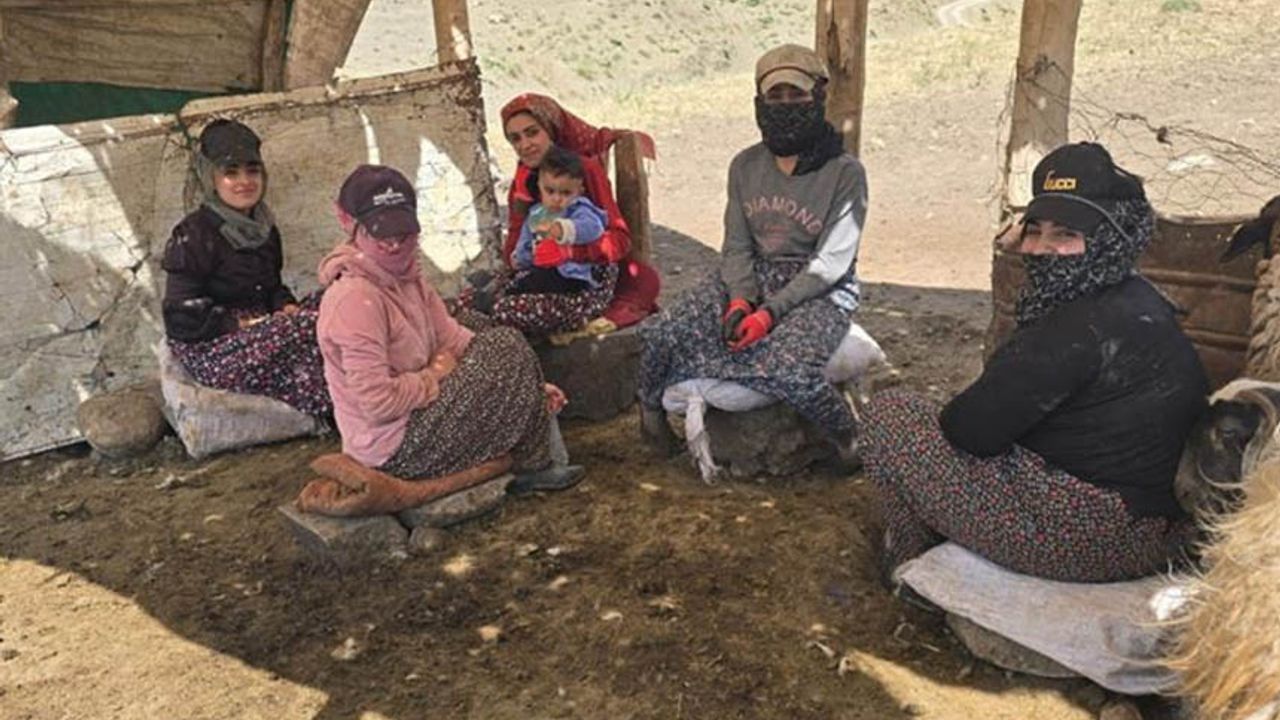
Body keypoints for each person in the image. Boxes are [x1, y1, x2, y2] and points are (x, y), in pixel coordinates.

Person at [861, 141, 1207, 586]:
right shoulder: (1137, 297)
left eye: (1065, 234)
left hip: (1094, 535)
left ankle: (909, 567)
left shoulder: (1075, 327)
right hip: (1153, 526)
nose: (1042, 248)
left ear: (1108, 239)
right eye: (1035, 230)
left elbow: (969, 431)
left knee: (891, 417)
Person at [636, 44, 867, 460]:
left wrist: (768, 314)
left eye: (796, 95)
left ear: (818, 96)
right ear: (759, 104)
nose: (786, 105)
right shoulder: (745, 166)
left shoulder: (845, 173)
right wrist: (741, 299)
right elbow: (738, 246)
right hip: (756, 274)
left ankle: (848, 440)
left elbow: (831, 263)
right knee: (661, 333)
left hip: (819, 289)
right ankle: (651, 417)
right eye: (775, 96)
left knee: (788, 369)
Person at [312, 165, 581, 508]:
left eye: (403, 232)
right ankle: (532, 465)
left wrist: (528, 385)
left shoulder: (407, 277)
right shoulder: (355, 299)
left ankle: (528, 437)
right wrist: (434, 375)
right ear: (352, 226)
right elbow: (378, 404)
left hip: (417, 415)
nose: (395, 244)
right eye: (381, 234)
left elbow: (453, 337)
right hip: (394, 449)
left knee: (480, 326)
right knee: (506, 345)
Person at [160, 119, 330, 416]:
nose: (244, 181)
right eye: (231, 173)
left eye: (252, 171)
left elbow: (273, 286)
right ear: (211, 178)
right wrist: (242, 324)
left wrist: (285, 305)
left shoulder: (263, 227)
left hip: (265, 332)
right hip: (215, 347)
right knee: (305, 328)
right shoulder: (194, 235)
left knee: (335, 299)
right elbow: (180, 317)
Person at [457, 93, 660, 336]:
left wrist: (570, 251)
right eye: (515, 138)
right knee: (466, 302)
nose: (524, 145)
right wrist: (519, 259)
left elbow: (619, 240)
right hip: (538, 274)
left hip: (584, 280)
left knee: (505, 311)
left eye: (532, 133)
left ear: (551, 129)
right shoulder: (524, 179)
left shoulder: (583, 170)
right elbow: (516, 239)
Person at [509, 146, 608, 297]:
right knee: (522, 282)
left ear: (579, 192)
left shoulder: (578, 208)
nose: (556, 199)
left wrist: (566, 229)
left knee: (537, 284)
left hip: (571, 274)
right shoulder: (536, 213)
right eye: (550, 191)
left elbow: (594, 228)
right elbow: (526, 241)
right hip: (541, 269)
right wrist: (520, 257)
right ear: (540, 186)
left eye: (566, 193)